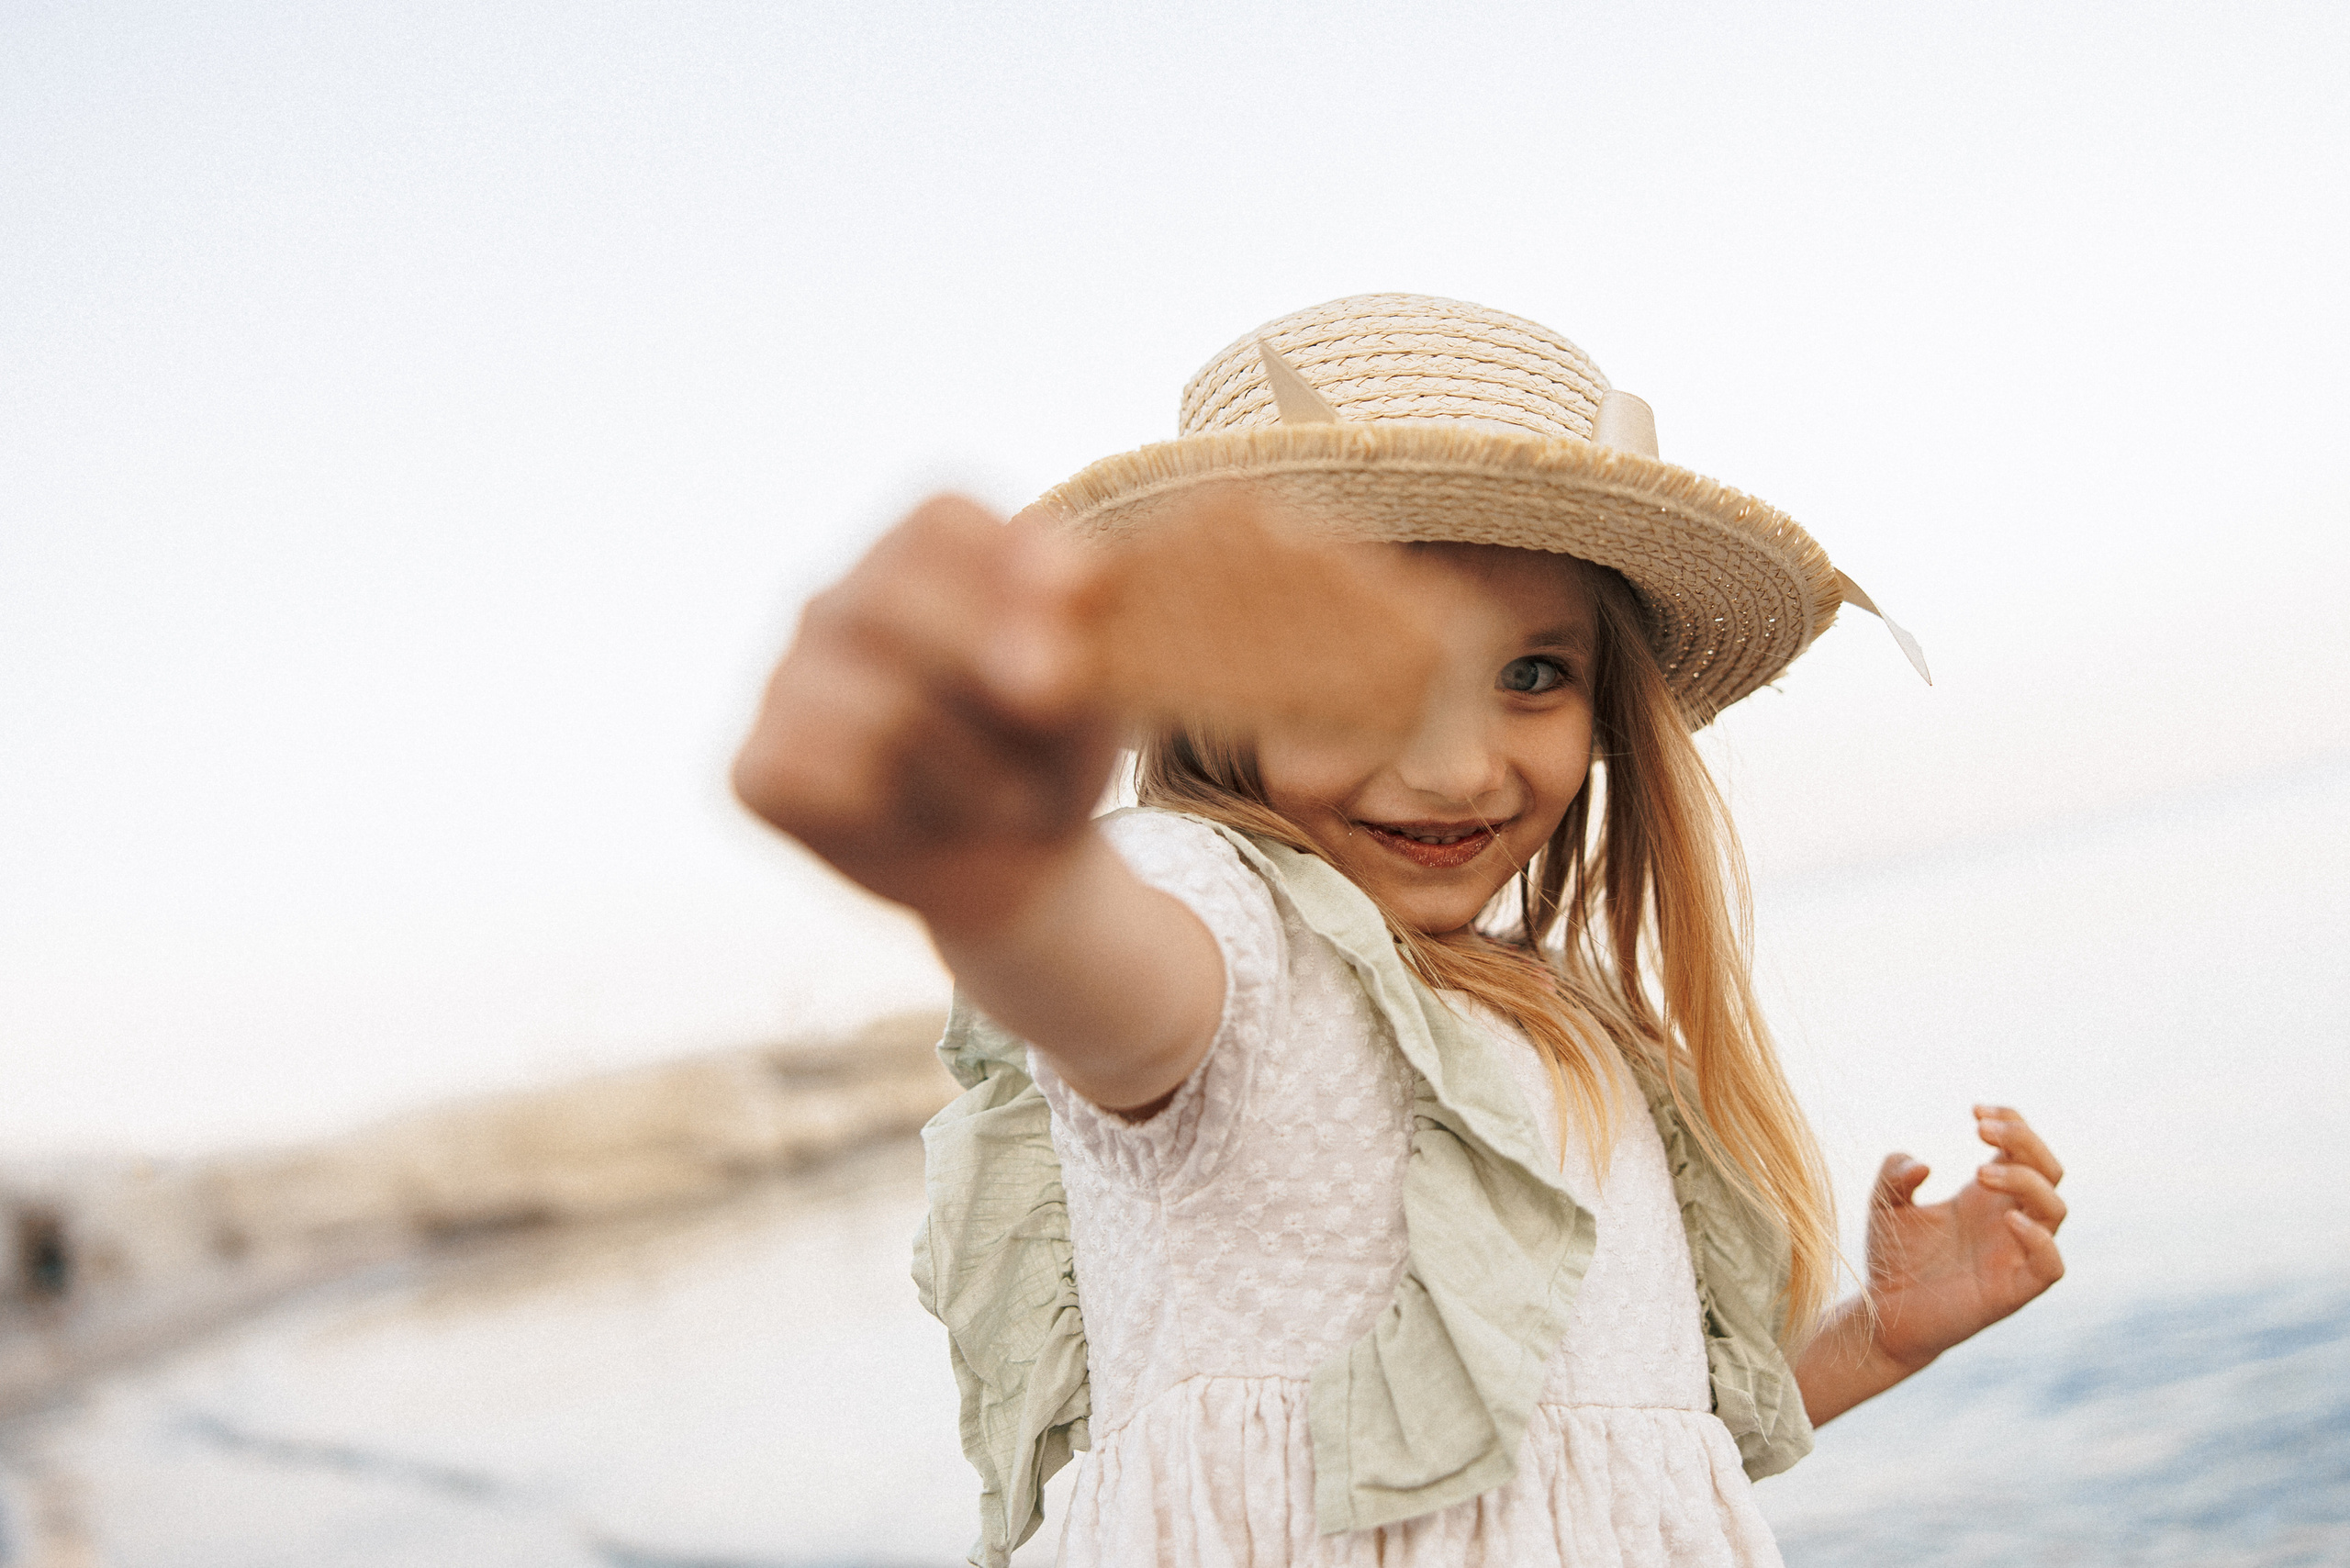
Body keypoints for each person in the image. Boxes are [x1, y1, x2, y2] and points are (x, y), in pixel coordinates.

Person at [732, 295, 2069, 1567]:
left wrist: (1877, 1340)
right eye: (1365, 682)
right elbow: (1110, 985)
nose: (1452, 766)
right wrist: (992, 867)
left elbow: (1616, 1462)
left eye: (1532, 674)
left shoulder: (1573, 1026)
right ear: (1219, 702)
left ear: (1608, 712)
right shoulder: (1234, 926)